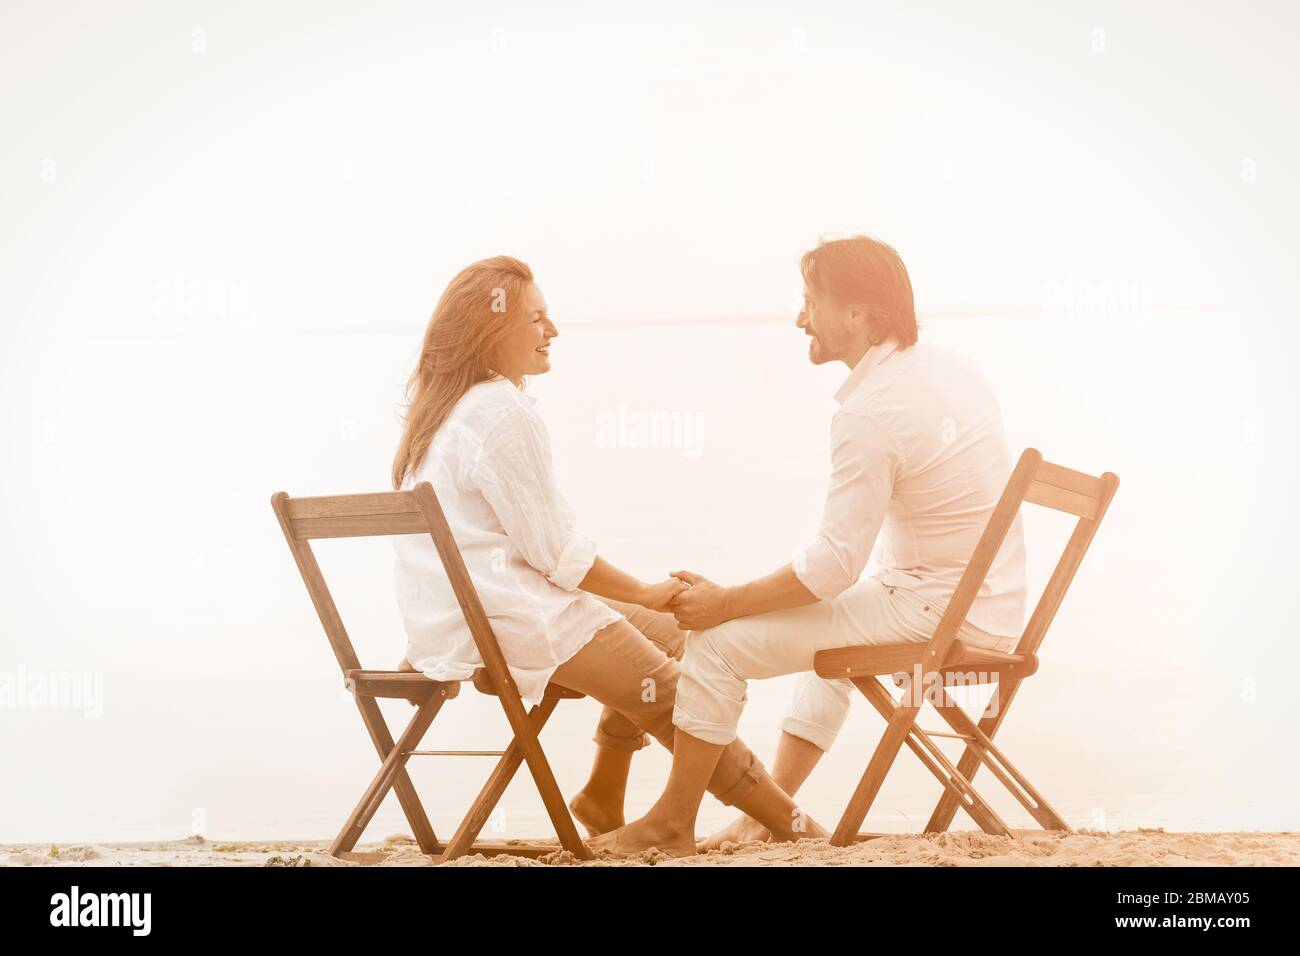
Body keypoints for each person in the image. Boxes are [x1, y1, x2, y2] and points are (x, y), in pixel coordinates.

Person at [592, 235, 1027, 856]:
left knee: (715, 645)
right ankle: (769, 817)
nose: (800, 318)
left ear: (858, 314)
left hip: (940, 614)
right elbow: (838, 574)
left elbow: (831, 568)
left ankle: (671, 820)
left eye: (809, 301)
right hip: (989, 609)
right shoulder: (953, 368)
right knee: (833, 631)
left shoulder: (870, 413)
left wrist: (725, 603)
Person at [390, 255, 826, 848]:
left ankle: (603, 789)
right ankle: (791, 825)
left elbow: (538, 551)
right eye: (537, 318)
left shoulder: (443, 413)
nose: (554, 331)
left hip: (470, 618)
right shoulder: (500, 411)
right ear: (490, 331)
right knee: (676, 691)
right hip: (515, 620)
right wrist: (644, 590)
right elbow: (555, 555)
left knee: (685, 636)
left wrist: (644, 600)